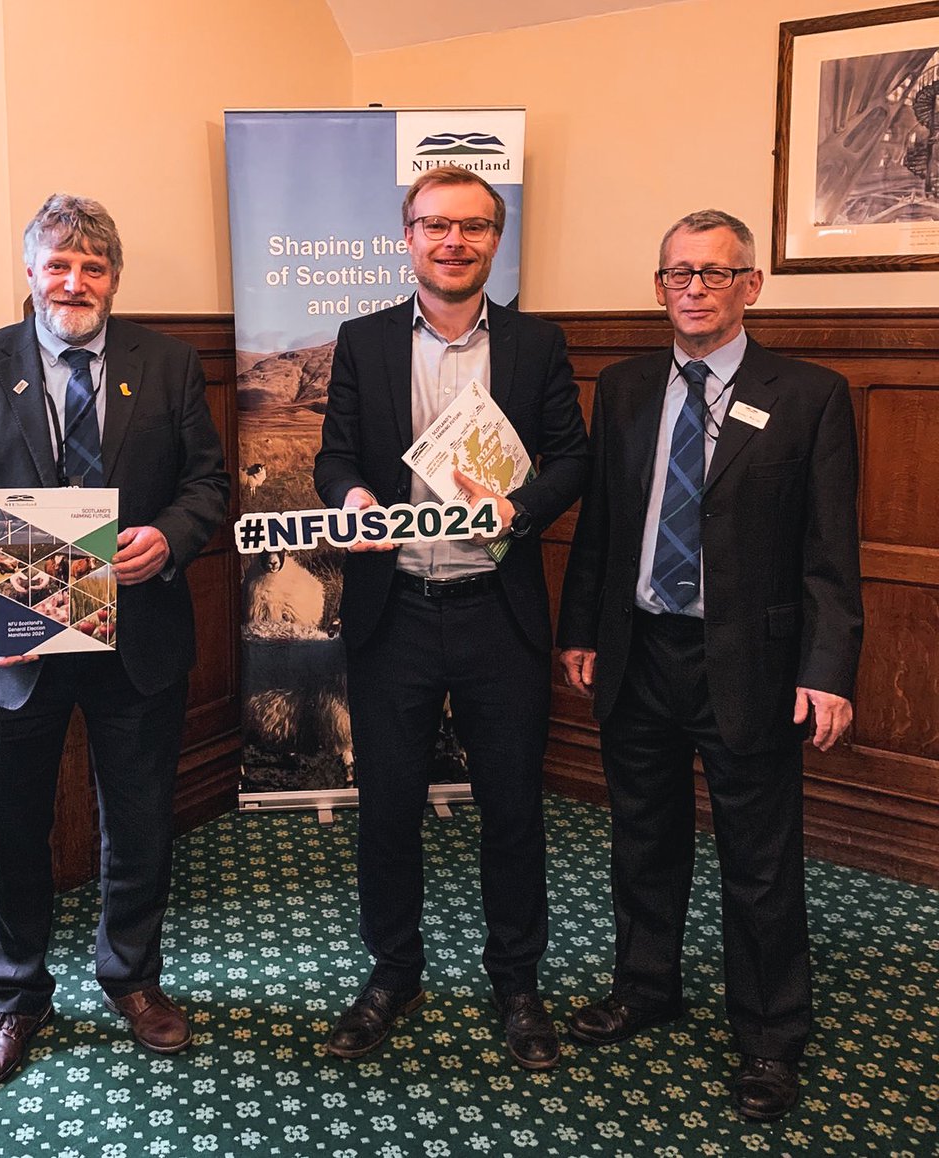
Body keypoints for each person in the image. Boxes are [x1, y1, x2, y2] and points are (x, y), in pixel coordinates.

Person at [0, 193, 229, 1091]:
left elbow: (207, 485)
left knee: (138, 823)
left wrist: (169, 537)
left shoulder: (165, 365)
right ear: (31, 274)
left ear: (115, 278)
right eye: (58, 264)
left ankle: (132, 979)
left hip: (140, 635)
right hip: (11, 643)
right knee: (12, 829)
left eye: (93, 267)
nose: (74, 281)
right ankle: (13, 998)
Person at [557, 209, 862, 1121]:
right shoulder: (622, 386)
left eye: (715, 274)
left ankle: (771, 1036)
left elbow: (830, 552)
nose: (694, 288)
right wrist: (583, 629)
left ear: (751, 287)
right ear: (659, 289)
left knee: (760, 863)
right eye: (678, 274)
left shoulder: (810, 393)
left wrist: (831, 668)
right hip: (640, 651)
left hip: (755, 666)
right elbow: (604, 526)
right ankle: (646, 986)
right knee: (642, 841)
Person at [313, 166, 589, 1070]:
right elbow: (334, 456)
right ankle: (393, 972)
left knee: (512, 809)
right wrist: (350, 493)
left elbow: (574, 462)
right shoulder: (360, 340)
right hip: (394, 612)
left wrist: (523, 507)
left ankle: (518, 982)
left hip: (495, 614)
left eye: (472, 226)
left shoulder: (538, 344)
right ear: (409, 238)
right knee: (387, 807)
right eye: (435, 225)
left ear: (493, 241)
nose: (453, 241)